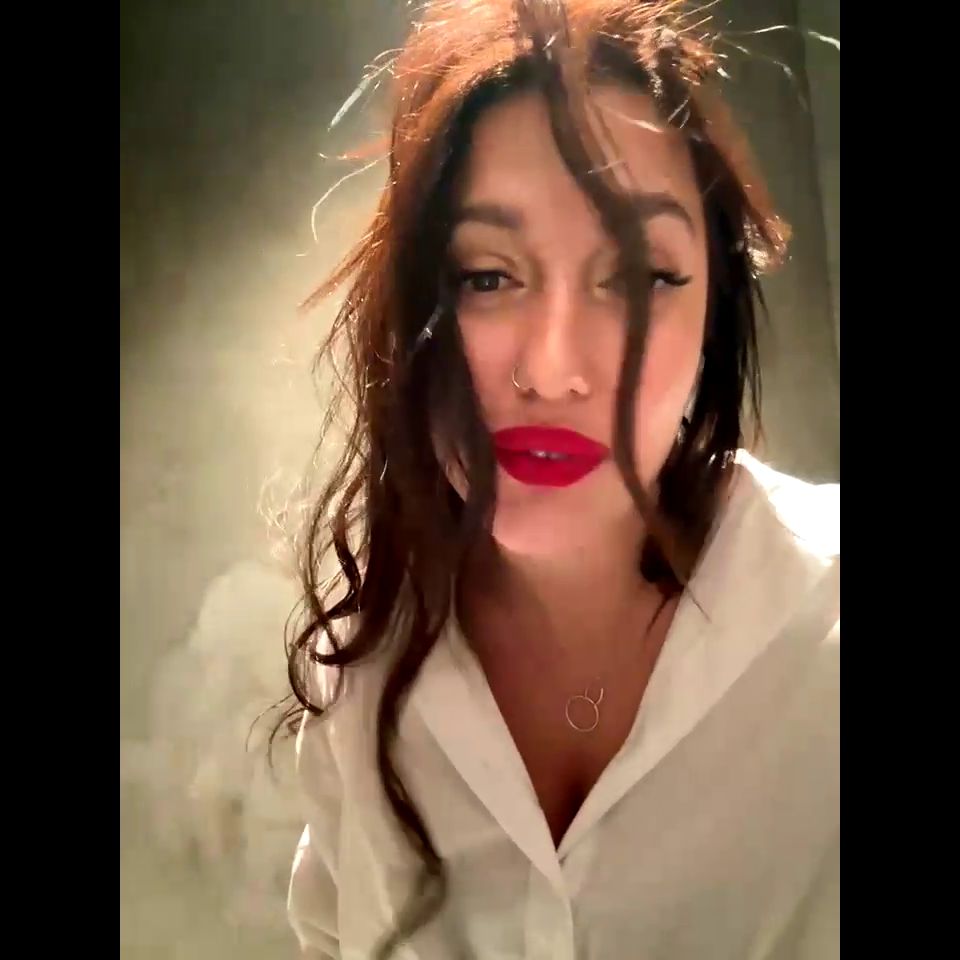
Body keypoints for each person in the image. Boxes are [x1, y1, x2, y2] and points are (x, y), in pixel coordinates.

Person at [282, 1, 839, 957]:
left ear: (714, 316)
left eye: (639, 277)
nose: (552, 368)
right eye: (485, 276)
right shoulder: (364, 678)